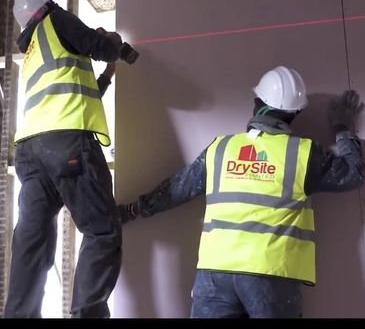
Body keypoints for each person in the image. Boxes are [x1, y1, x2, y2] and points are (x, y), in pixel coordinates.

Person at [119, 66, 364, 318]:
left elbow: (177, 189)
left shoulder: (221, 148)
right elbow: (353, 173)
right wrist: (343, 128)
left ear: (257, 102)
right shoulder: (305, 154)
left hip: (216, 271)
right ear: (296, 113)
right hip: (271, 274)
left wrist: (132, 210)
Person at [5, 0, 123, 318]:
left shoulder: (32, 50)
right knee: (102, 230)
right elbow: (102, 48)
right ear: (47, 5)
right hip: (67, 143)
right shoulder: (57, 20)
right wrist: (112, 43)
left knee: (32, 241)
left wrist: (107, 78)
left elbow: (77, 94)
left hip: (31, 151)